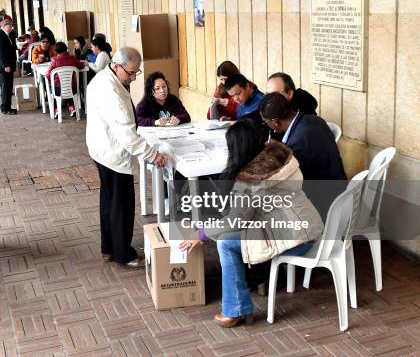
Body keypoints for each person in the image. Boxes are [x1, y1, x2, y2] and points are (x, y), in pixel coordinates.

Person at [180, 119, 324, 328]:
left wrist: (200, 234)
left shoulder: (250, 180)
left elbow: (235, 220)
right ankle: (242, 300)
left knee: (226, 243)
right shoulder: (279, 158)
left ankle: (235, 310)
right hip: (309, 227)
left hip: (298, 238)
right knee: (236, 236)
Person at [86, 47, 169, 267]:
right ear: (116, 65)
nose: (133, 77)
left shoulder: (104, 77)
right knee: (122, 204)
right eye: (130, 73)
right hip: (112, 153)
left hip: (101, 148)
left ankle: (109, 248)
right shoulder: (111, 91)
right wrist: (153, 155)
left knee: (109, 200)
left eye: (136, 73)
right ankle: (124, 254)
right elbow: (127, 135)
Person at [259, 92, 347, 212]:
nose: (266, 125)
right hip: (341, 189)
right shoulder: (315, 120)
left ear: (275, 122)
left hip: (324, 205)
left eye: (265, 122)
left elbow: (292, 184)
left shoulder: (296, 144)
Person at [46, 42, 85, 117]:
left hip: (59, 90)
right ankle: (72, 108)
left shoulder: (54, 60)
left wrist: (51, 83)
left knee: (54, 89)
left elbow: (48, 75)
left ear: (56, 51)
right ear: (66, 49)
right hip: (73, 88)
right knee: (69, 86)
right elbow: (81, 66)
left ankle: (57, 110)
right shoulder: (73, 58)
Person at [0, 19, 17, 115]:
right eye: (9, 26)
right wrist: (5, 65)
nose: (11, 27)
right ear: (4, 26)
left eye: (11, 26)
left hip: (9, 65)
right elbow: (0, 52)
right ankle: (5, 108)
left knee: (9, 87)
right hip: (4, 67)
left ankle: (8, 107)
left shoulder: (8, 34)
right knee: (5, 88)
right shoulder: (0, 35)